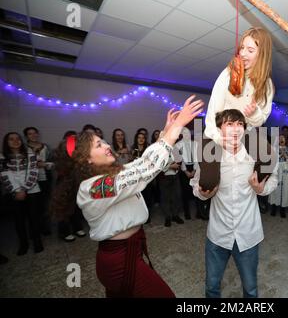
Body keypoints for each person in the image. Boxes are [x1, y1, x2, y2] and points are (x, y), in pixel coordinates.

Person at [50, 95, 203, 297]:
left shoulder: (111, 175)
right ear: (86, 160)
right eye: (98, 145)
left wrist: (166, 130)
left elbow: (139, 165)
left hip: (131, 250)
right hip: (119, 260)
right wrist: (178, 128)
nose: (106, 145)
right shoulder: (93, 188)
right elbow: (145, 169)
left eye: (103, 141)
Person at [190, 109, 278, 298]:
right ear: (219, 129)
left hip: (248, 233)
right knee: (212, 286)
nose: (236, 129)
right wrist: (206, 194)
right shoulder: (210, 156)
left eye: (240, 124)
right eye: (229, 124)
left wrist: (261, 189)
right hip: (218, 233)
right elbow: (196, 186)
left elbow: (273, 178)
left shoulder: (255, 154)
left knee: (251, 288)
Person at [200, 27, 275, 190]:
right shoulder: (228, 73)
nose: (243, 54)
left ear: (262, 54)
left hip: (243, 132)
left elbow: (261, 119)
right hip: (218, 130)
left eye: (250, 50)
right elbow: (213, 110)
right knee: (208, 182)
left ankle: (251, 188)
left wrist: (253, 113)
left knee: (268, 157)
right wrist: (219, 138)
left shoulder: (266, 84)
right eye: (242, 48)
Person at [0, 132, 43, 255]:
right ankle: (23, 244)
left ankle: (37, 242)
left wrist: (24, 189)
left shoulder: (30, 154)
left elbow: (33, 172)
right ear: (6, 142)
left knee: (34, 218)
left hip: (32, 190)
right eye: (11, 139)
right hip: (14, 192)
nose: (15, 141)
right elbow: (5, 175)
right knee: (19, 220)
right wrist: (16, 190)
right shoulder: (2, 157)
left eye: (17, 138)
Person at [23, 126, 54, 236]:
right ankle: (33, 230)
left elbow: (51, 160)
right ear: (26, 136)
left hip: (45, 178)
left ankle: (45, 227)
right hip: (30, 180)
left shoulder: (45, 146)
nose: (33, 135)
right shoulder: (24, 148)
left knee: (45, 205)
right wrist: (36, 164)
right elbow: (23, 164)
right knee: (32, 207)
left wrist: (47, 164)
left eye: (35, 133)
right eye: (30, 134)